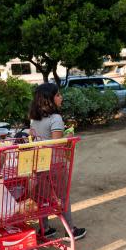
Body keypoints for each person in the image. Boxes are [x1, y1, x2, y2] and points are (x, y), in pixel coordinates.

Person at [29, 83, 86, 241]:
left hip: (39, 162)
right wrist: (68, 138)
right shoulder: (56, 118)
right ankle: (70, 230)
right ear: (50, 99)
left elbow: (35, 139)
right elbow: (56, 143)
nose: (61, 97)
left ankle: (44, 229)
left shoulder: (34, 119)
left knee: (42, 196)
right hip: (55, 164)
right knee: (63, 196)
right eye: (58, 95)